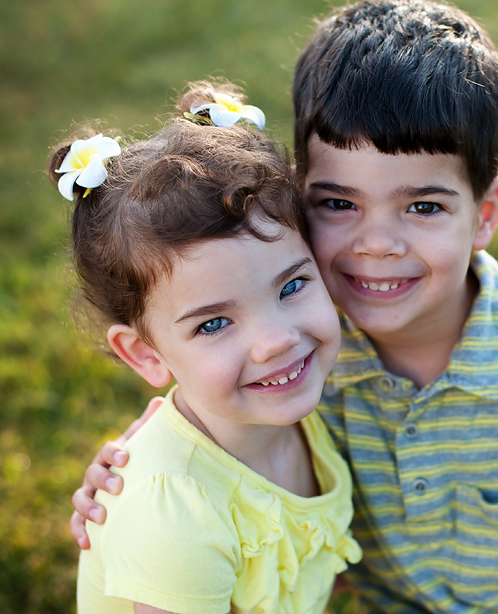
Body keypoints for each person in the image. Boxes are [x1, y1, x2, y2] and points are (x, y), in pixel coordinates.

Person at [71, 0, 498, 613]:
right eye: (338, 204)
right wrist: (123, 479)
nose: (376, 245)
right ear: (295, 203)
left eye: (423, 206)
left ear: (484, 216)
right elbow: (200, 442)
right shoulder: (303, 357)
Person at [51, 81, 361, 614]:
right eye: (214, 324)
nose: (277, 341)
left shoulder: (300, 416)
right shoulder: (175, 516)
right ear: (145, 354)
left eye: (291, 286)